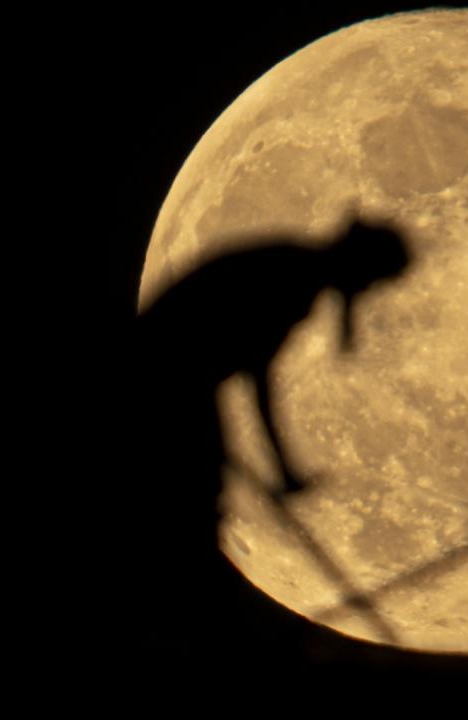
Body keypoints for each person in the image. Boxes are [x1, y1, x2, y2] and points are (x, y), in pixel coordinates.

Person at [125, 218, 409, 659]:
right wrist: (282, 470)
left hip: (173, 379)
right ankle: (186, 627)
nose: (368, 291)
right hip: (165, 384)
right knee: (189, 501)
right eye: (372, 280)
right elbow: (257, 381)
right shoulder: (295, 281)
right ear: (359, 265)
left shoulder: (297, 265)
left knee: (193, 496)